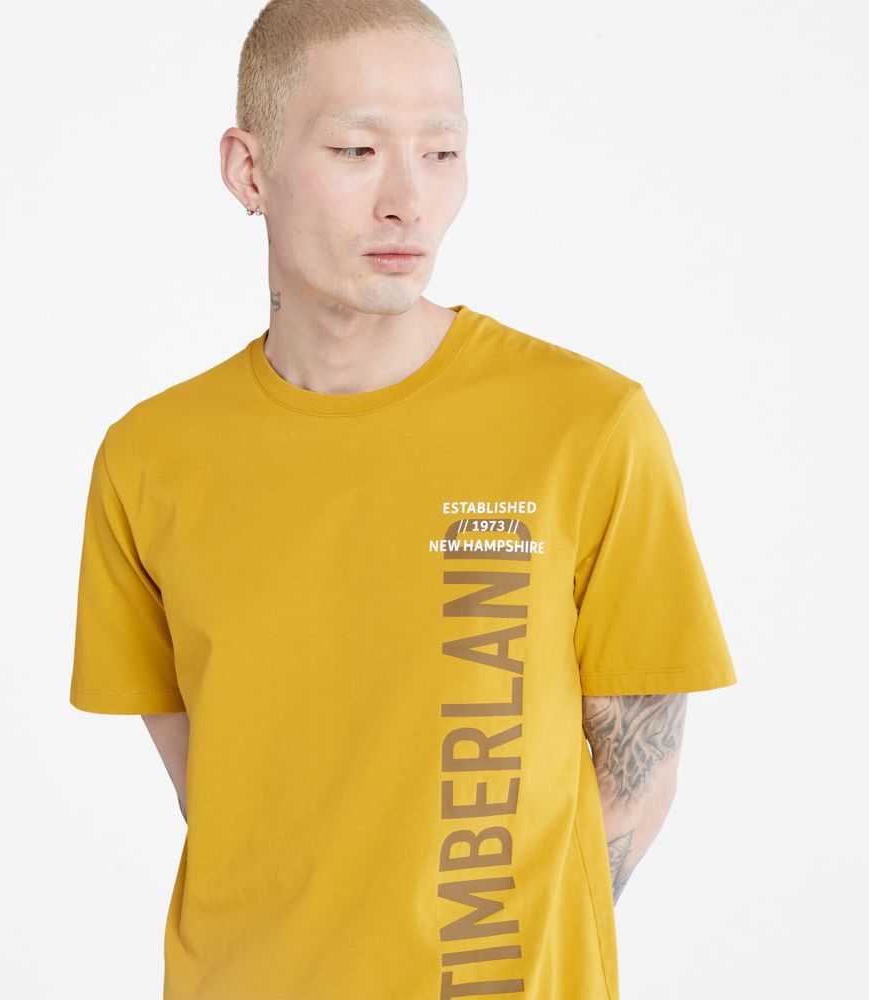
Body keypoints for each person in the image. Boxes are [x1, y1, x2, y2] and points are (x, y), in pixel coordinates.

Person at [68, 2, 737, 998]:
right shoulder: (151, 458)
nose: (407, 201)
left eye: (441, 152)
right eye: (356, 150)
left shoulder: (587, 427)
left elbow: (639, 778)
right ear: (249, 171)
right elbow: (219, 789)